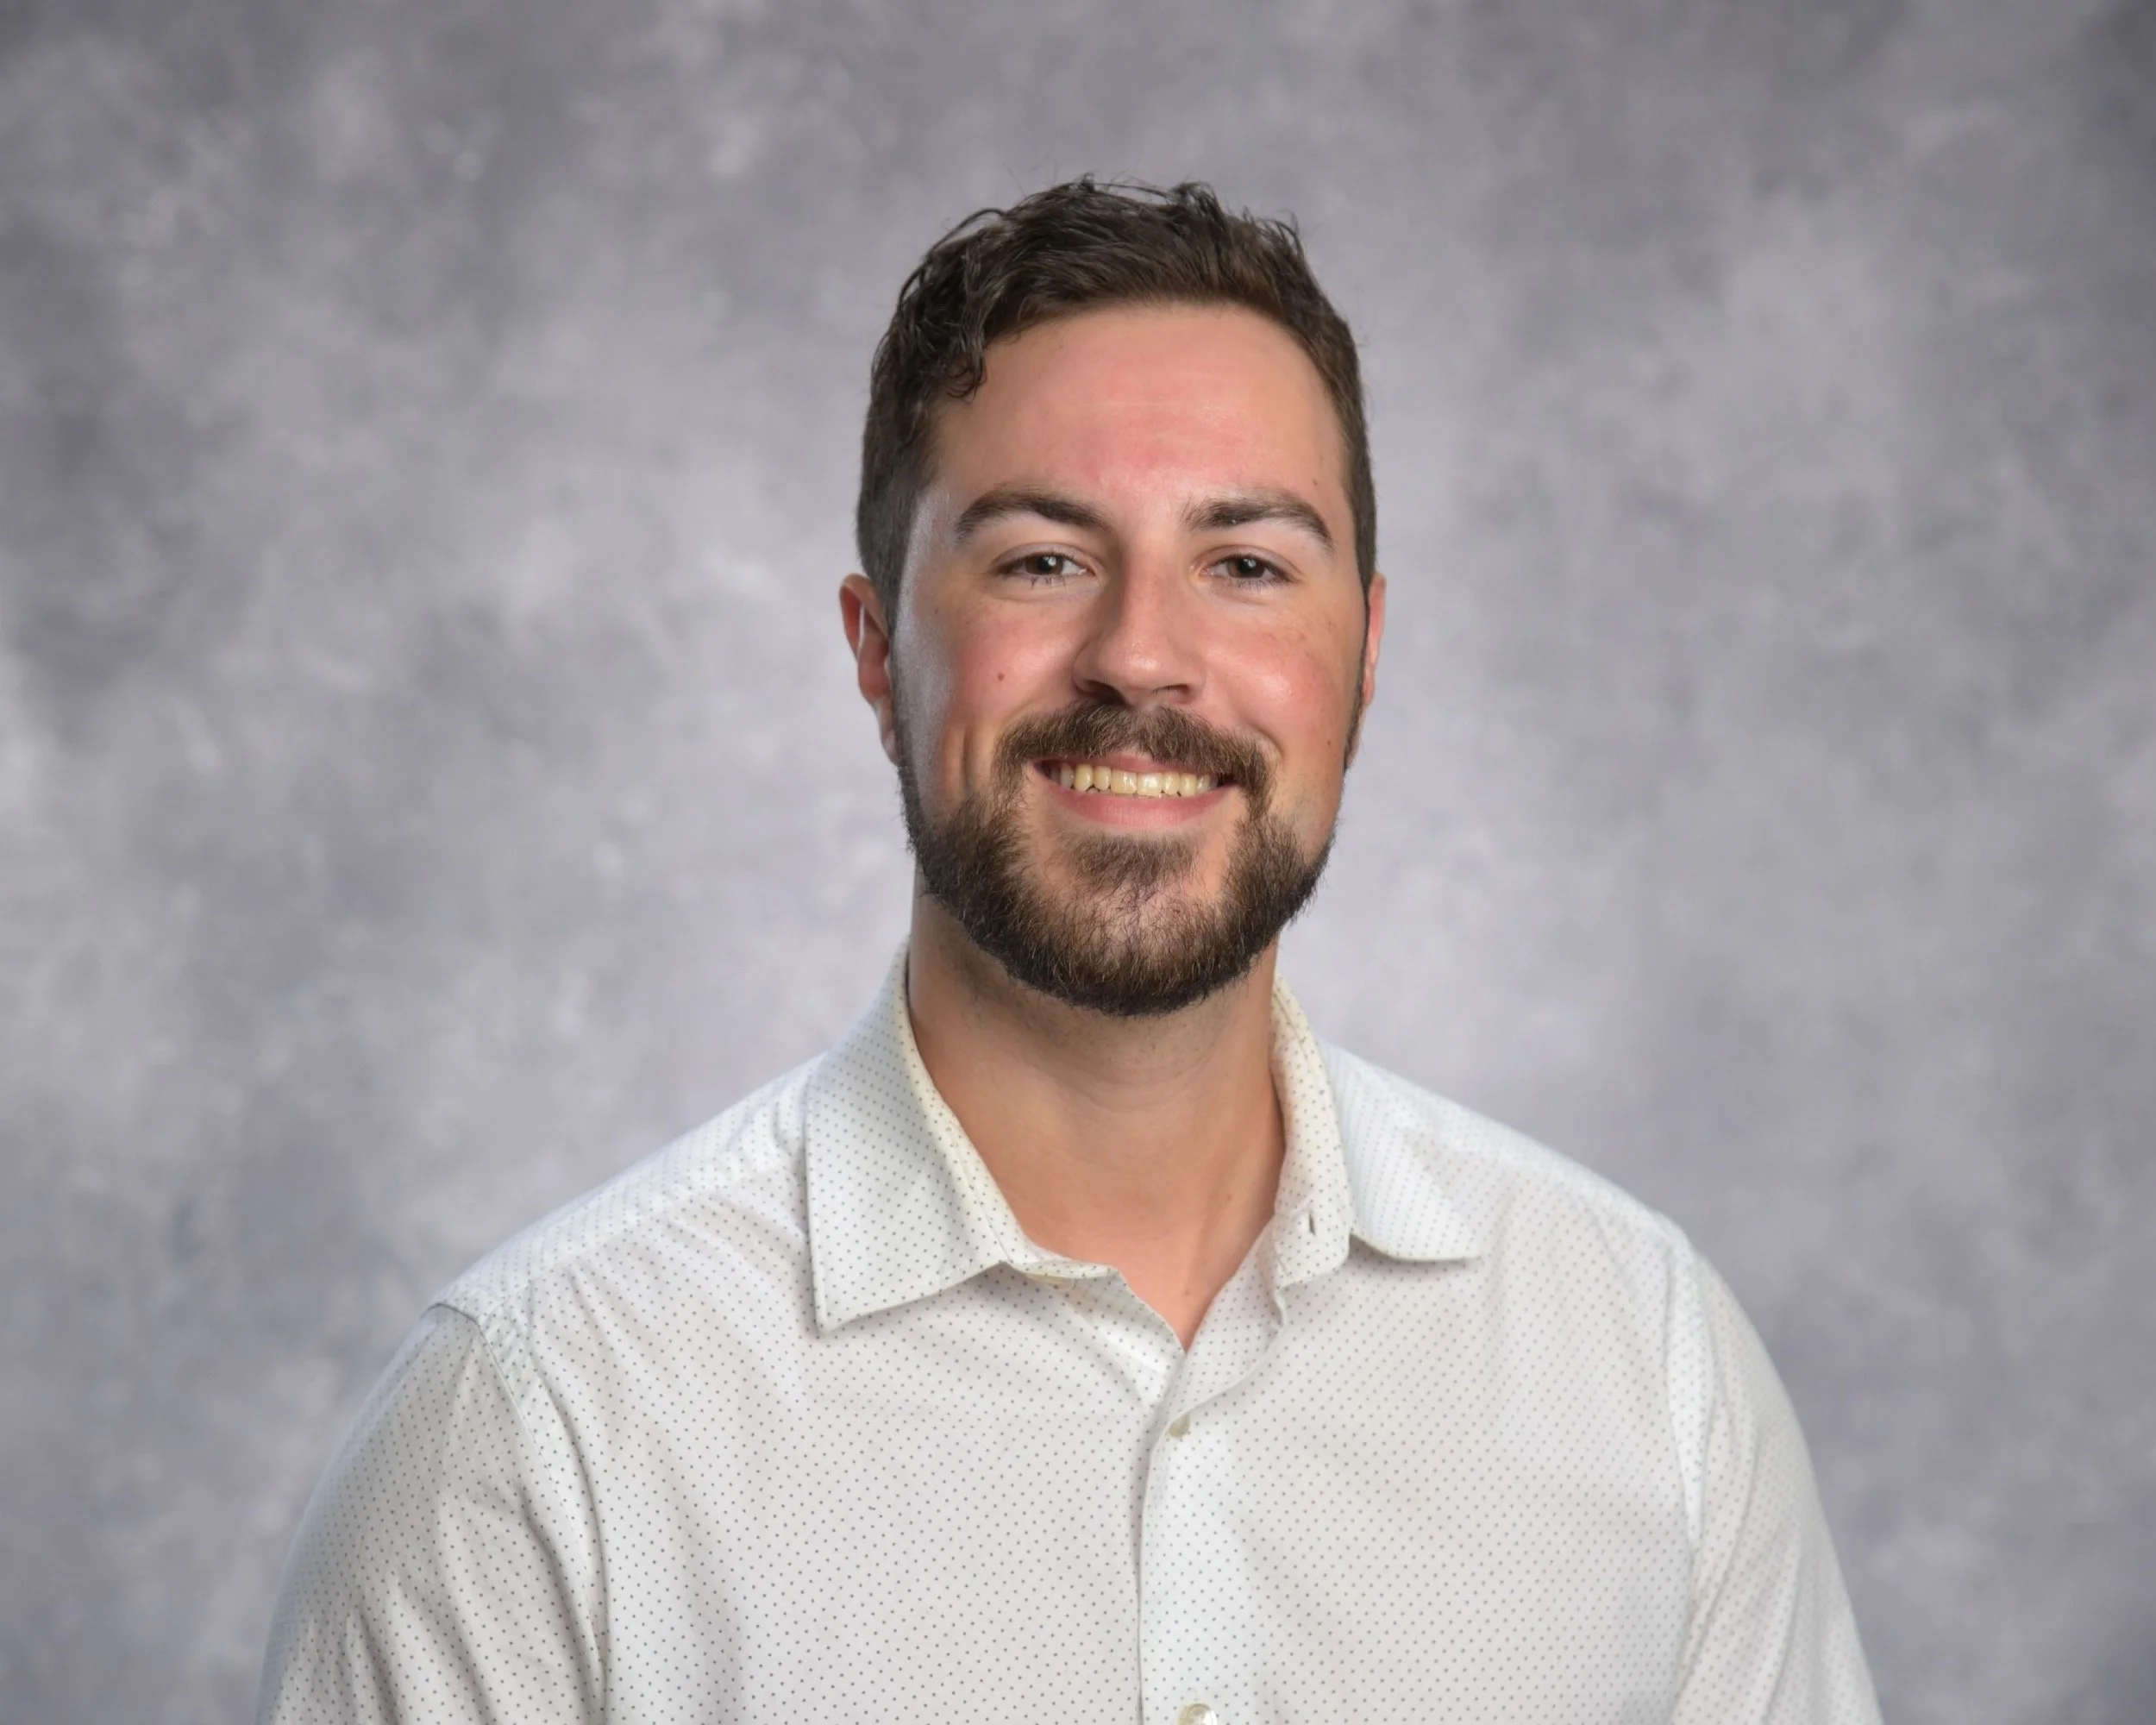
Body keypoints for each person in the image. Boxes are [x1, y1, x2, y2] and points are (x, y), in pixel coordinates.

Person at [259, 179, 1881, 1724]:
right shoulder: (534, 1427)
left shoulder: (1642, 1357)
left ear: (1365, 654)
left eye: (1245, 566)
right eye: (1042, 560)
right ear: (878, 652)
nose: (1144, 658)